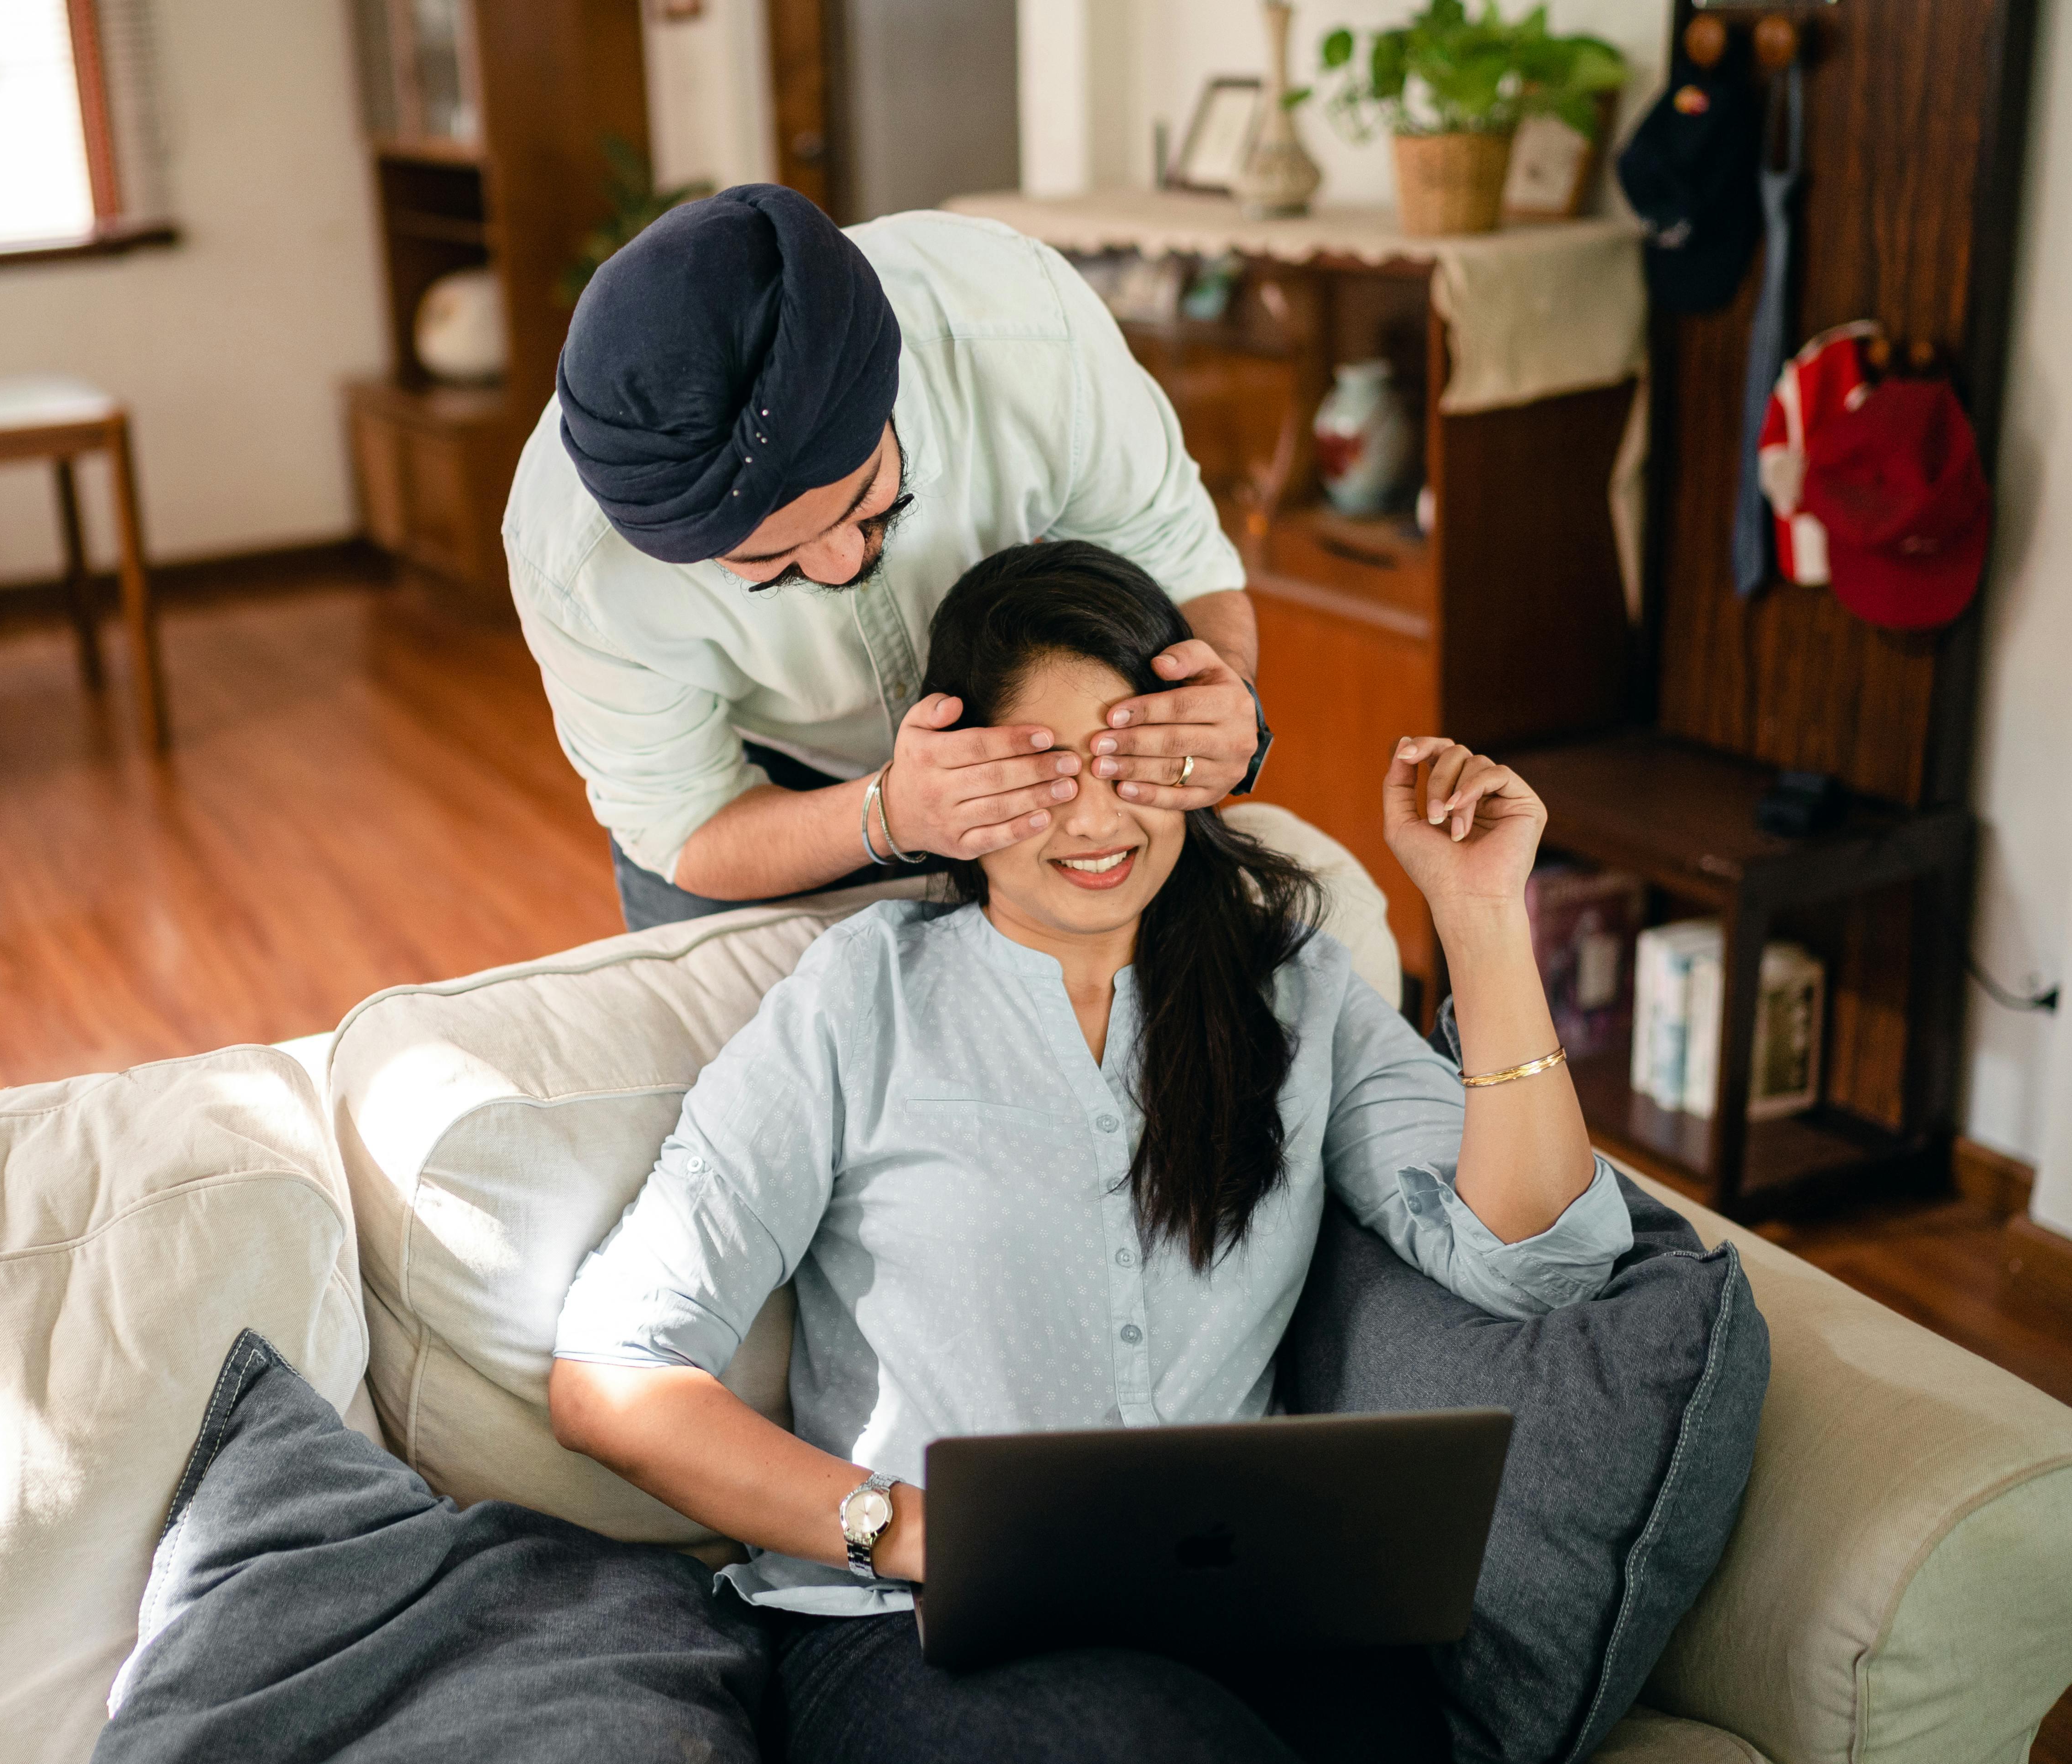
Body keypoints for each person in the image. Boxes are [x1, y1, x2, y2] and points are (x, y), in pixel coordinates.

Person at [546, 542, 1634, 1762]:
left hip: (1239, 1614)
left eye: (1133, 759)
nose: (1101, 816)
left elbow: (1540, 1257)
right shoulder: (863, 1000)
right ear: (957, 778)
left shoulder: (1294, 985)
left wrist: (1480, 916)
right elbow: (611, 1371)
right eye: (1045, 771)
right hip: (919, 1632)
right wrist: (901, 1528)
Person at [508, 183, 1267, 931]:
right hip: (762, 794)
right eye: (770, 561)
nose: (839, 565)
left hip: (1027, 775)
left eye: (866, 496)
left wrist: (1222, 690)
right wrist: (893, 812)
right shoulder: (575, 560)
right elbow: (688, 823)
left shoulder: (1026, 329)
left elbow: (1184, 567)